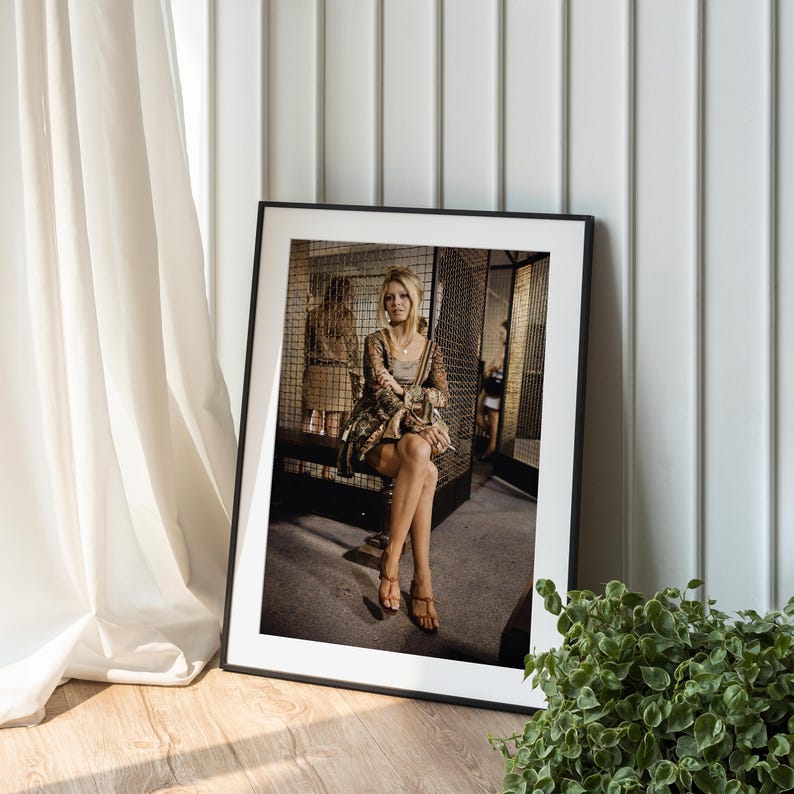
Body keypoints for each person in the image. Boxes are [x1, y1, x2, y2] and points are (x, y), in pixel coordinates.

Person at [337, 266, 450, 632]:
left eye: (402, 296)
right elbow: (382, 400)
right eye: (389, 297)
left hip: (410, 440)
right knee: (423, 458)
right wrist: (423, 419)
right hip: (374, 433)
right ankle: (417, 577)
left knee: (423, 460)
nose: (395, 303)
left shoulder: (431, 349)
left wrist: (408, 393)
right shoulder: (375, 341)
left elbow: (442, 396)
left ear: (415, 299)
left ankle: (405, 569)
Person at [301, 277, 359, 479]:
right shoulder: (348, 317)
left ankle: (301, 466)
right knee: (332, 427)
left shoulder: (313, 314)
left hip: (315, 370)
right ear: (346, 294)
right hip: (338, 373)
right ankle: (326, 471)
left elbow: (306, 345)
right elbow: (353, 348)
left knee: (306, 423)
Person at [476, 320, 507, 461]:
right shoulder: (502, 348)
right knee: (479, 415)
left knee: (494, 420)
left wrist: (489, 369)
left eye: (502, 333)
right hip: (490, 387)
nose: (500, 336)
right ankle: (496, 440)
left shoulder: (507, 349)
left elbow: (495, 365)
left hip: (496, 389)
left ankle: (491, 450)